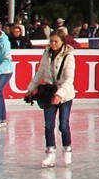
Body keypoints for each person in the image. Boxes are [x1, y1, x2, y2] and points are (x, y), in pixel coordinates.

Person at [30, 29, 77, 167]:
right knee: (49, 125)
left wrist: (59, 95)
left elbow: (69, 79)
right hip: (49, 93)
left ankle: (67, 150)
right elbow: (40, 73)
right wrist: (30, 89)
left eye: (56, 41)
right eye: (51, 41)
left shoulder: (69, 56)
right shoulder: (46, 54)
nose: (52, 44)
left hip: (65, 95)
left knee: (63, 124)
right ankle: (50, 153)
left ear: (63, 42)